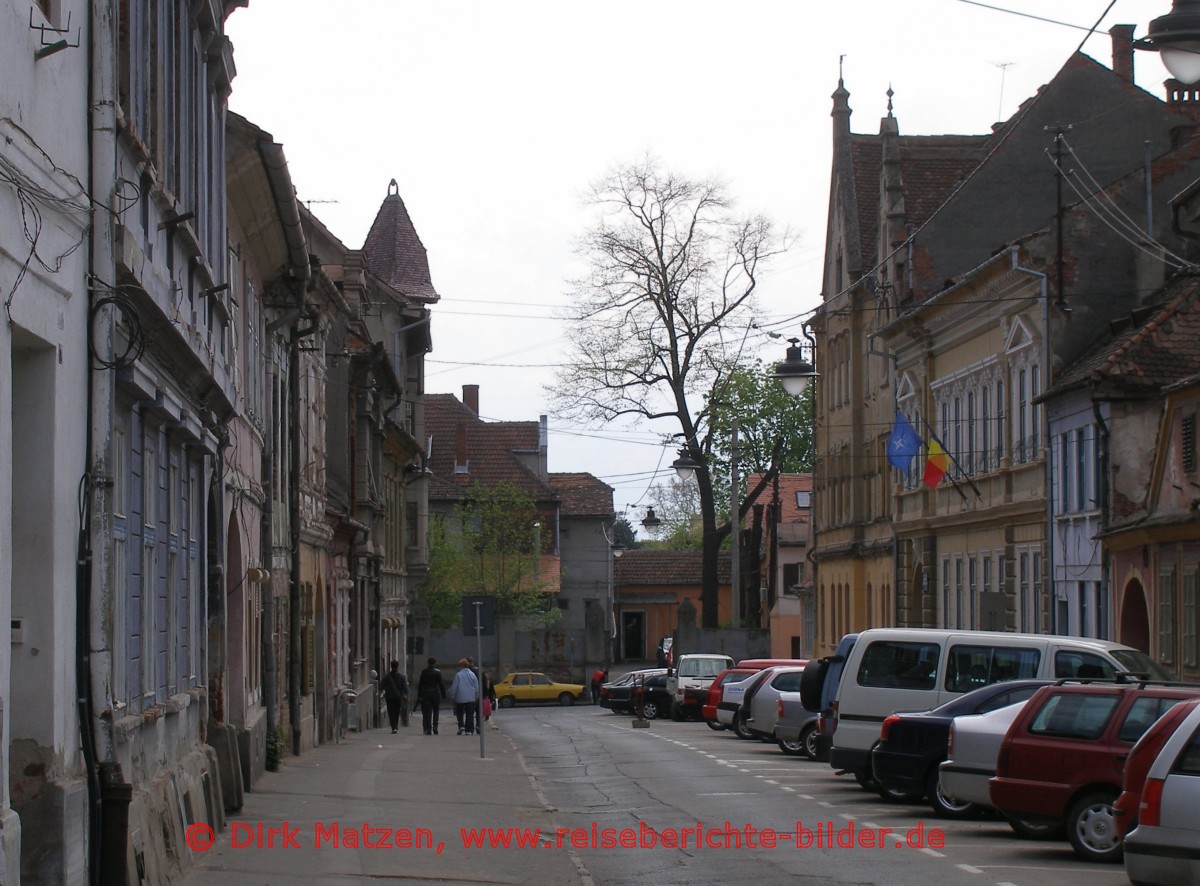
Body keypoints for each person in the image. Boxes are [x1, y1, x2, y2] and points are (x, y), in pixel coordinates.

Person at [449, 658, 480, 735]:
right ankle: (469, 730)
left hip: (460, 697)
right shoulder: (472, 674)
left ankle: (461, 725)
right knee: (470, 714)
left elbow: (454, 687)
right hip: (471, 697)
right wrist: (477, 697)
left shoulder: (458, 675)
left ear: (461, 666)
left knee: (459, 712)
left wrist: (452, 697)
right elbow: (477, 687)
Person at [416, 656, 445, 735]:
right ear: (434, 663)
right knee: (436, 711)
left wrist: (419, 695)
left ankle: (428, 729)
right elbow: (441, 684)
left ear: (428, 663)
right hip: (435, 693)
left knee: (427, 712)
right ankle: (435, 726)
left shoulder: (424, 672)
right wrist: (443, 694)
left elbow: (420, 684)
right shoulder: (437, 672)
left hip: (426, 693)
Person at [381, 660, 409, 734]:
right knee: (396, 711)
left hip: (389, 697)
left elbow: (381, 686)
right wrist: (405, 695)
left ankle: (393, 727)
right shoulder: (402, 677)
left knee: (391, 712)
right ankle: (395, 725)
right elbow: (405, 688)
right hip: (398, 697)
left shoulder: (387, 677)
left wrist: (382, 692)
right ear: (397, 666)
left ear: (391, 666)